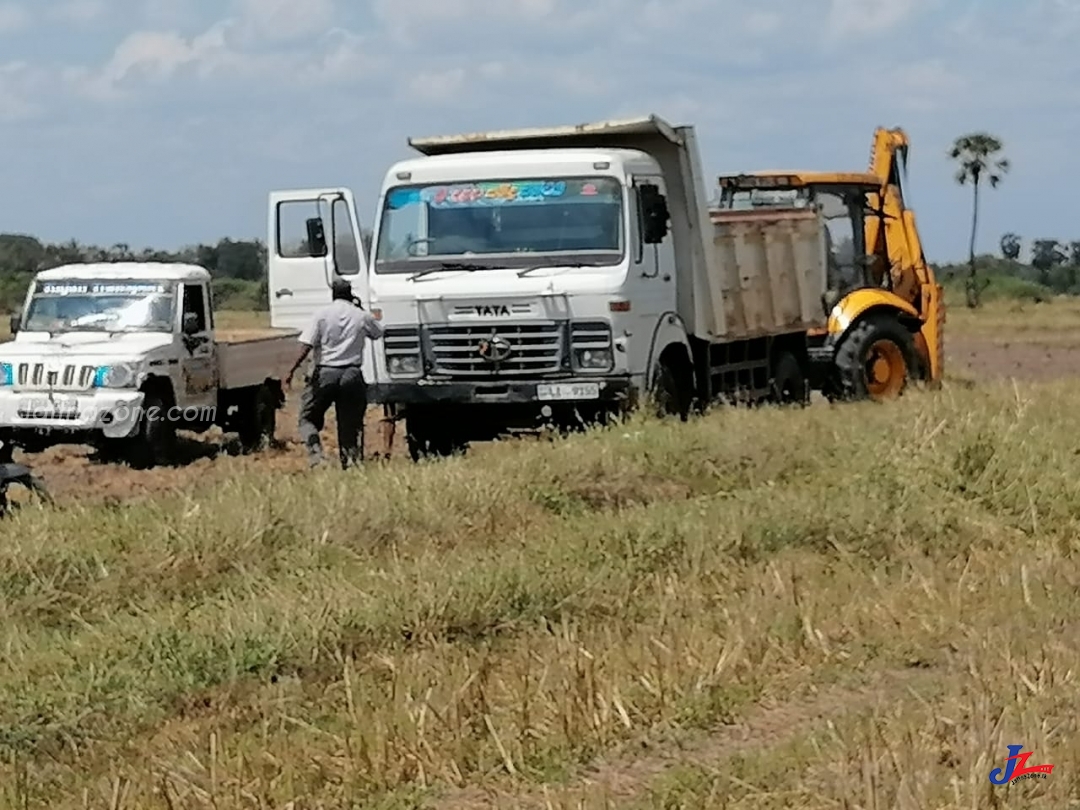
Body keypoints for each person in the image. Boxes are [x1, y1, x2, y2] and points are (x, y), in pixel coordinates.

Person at [283, 277, 384, 469]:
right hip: (352, 373)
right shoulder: (360, 316)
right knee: (350, 423)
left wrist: (291, 370)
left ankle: (316, 456)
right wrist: (361, 308)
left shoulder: (321, 315)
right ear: (350, 293)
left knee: (307, 417)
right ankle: (351, 462)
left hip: (325, 373)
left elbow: (307, 344)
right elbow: (378, 333)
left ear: (333, 294)